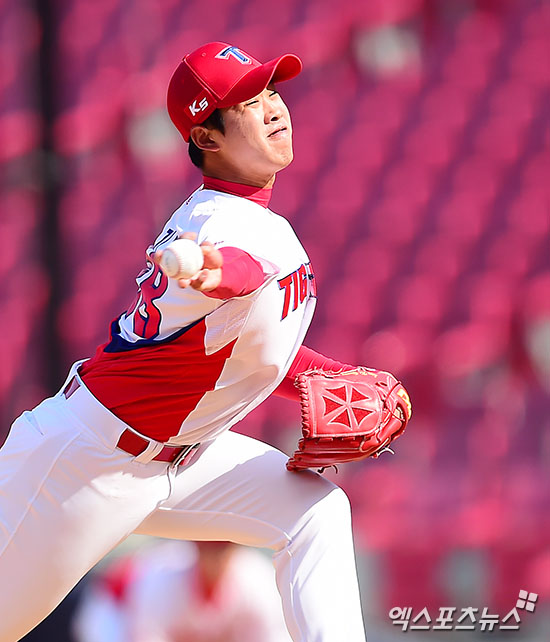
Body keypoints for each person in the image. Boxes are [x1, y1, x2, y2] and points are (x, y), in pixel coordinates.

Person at [0, 42, 367, 641]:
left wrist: (336, 377)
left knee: (316, 513)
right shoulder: (217, 224)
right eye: (247, 102)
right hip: (84, 464)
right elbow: (235, 269)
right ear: (207, 137)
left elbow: (249, 347)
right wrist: (205, 266)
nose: (273, 108)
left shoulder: (247, 218)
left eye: (271, 91)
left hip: (180, 455)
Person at [72, 539, 293, 642]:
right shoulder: (166, 577)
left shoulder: (257, 581)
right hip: (116, 605)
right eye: (207, 546)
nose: (215, 556)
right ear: (195, 545)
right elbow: (146, 636)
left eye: (223, 547)